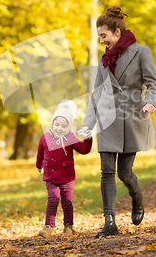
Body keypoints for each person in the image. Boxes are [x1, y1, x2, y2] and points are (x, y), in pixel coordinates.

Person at [81, 6, 156, 237]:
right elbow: (97, 92)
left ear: (117, 32)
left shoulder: (141, 52)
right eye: (99, 37)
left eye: (103, 36)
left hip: (131, 118)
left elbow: (152, 83)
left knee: (124, 174)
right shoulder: (103, 58)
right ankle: (109, 222)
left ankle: (137, 197)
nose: (101, 41)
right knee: (106, 171)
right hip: (107, 120)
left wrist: (150, 101)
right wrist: (88, 124)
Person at [36, 99, 92, 238]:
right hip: (51, 177)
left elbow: (83, 150)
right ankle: (48, 226)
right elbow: (40, 153)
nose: (59, 128)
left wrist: (88, 139)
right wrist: (39, 165)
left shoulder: (70, 138)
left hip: (67, 177)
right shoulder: (45, 138)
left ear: (68, 127)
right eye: (57, 124)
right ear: (52, 124)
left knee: (67, 202)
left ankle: (68, 227)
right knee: (53, 199)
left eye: (63, 126)